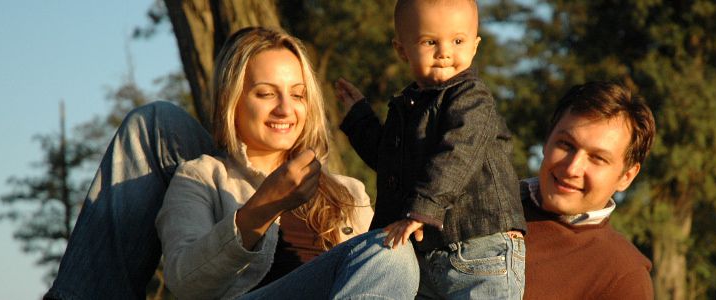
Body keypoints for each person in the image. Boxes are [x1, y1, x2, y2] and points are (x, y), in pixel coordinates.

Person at [45, 27, 419, 300]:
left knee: (392, 254)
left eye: (298, 94)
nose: (286, 109)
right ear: (233, 100)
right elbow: (185, 282)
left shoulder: (349, 190)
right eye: (265, 93)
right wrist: (260, 210)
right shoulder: (201, 176)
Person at [334, 0, 526, 298]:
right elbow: (390, 163)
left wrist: (422, 210)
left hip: (481, 246)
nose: (445, 52)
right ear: (402, 50)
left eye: (458, 40)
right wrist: (360, 118)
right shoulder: (409, 106)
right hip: (429, 252)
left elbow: (457, 154)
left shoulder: (472, 99)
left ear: (475, 46)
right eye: (430, 41)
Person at [521, 81, 655, 299]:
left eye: (598, 158)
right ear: (547, 141)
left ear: (626, 177)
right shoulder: (478, 206)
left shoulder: (621, 278)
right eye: (566, 145)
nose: (573, 168)